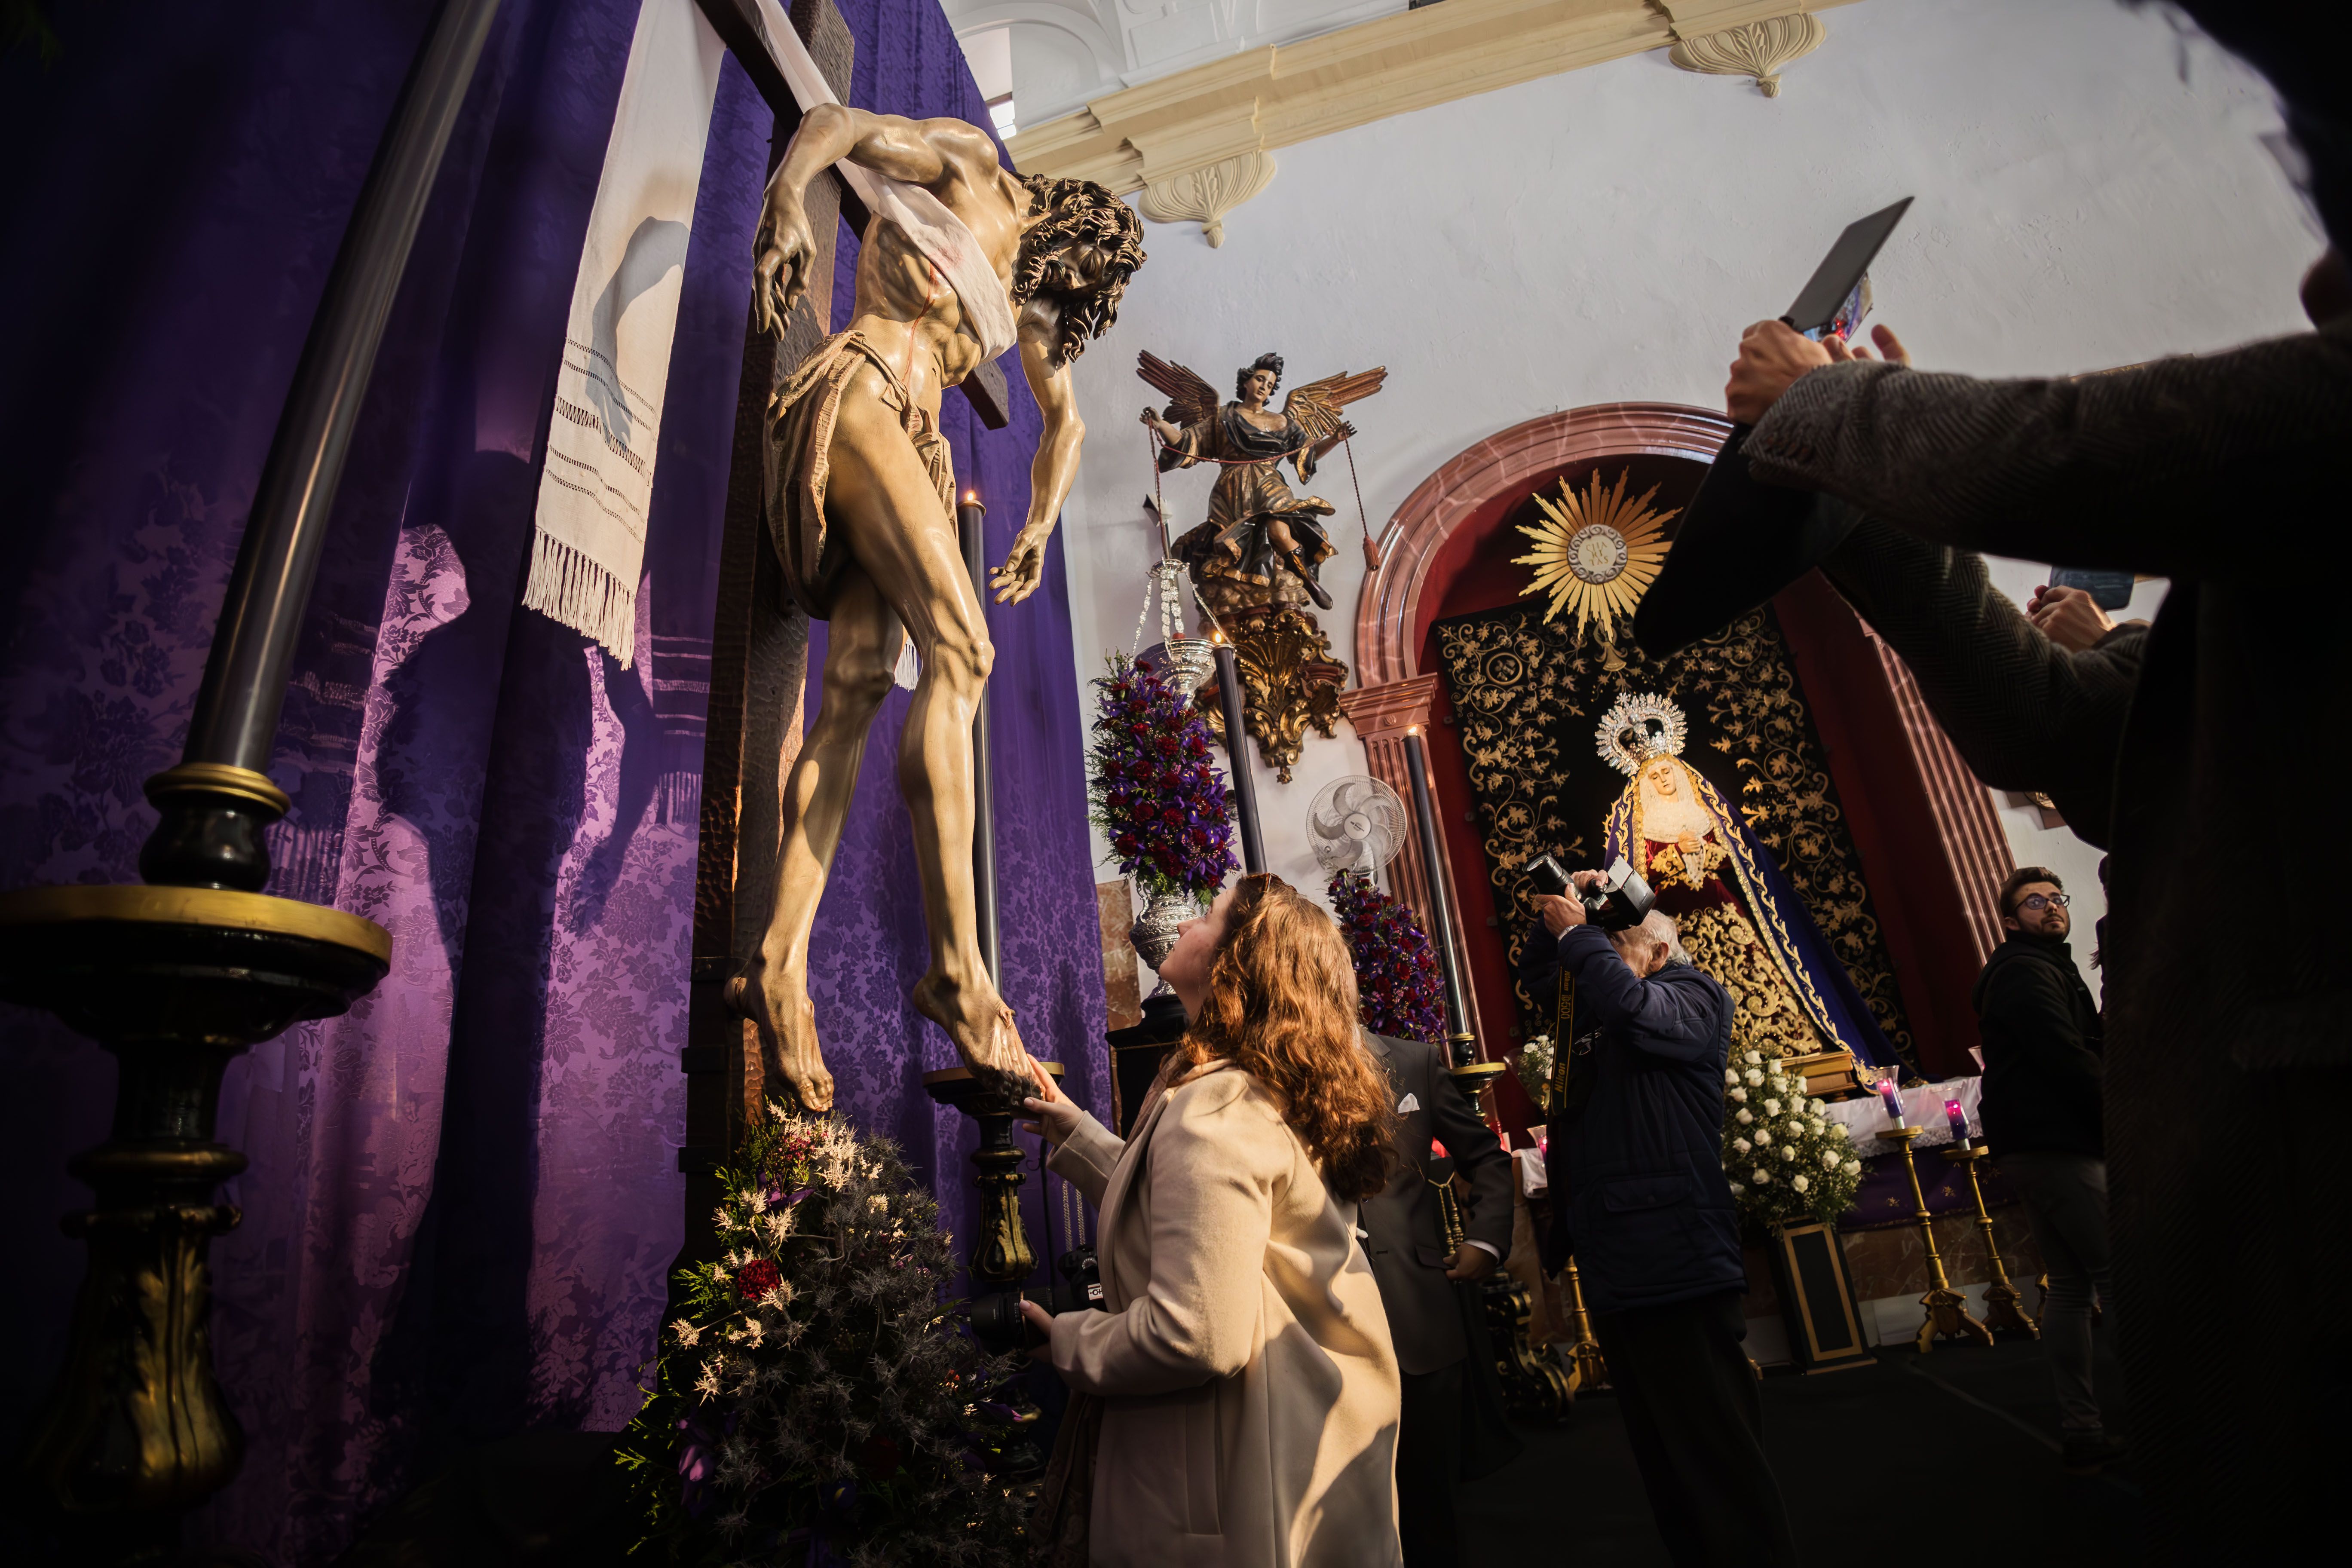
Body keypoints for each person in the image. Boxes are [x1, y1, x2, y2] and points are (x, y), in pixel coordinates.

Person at [732, 102, 1146, 1112]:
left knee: (860, 689)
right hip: (862, 389)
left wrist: (1043, 520)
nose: (1060, 307)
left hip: (911, 441)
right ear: (1074, 226)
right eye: (1081, 282)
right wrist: (788, 194)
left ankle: (777, 960)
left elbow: (1067, 421)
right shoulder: (967, 168)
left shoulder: (1024, 292)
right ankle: (957, 974)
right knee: (962, 651)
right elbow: (833, 121)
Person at [1016, 874, 1403, 1568]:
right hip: (1303, 1442)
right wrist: (1074, 1129)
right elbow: (1205, 1222)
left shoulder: (1215, 1107)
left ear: (1233, 963)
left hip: (1232, 1476)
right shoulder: (1254, 1088)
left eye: (1210, 914)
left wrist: (1068, 1342)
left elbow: (1193, 1334)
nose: (1185, 920)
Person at [1531, 891, 1797, 1568]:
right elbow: (1554, 987)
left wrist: (1581, 939)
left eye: (1611, 946)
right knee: (1665, 1457)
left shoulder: (1691, 995)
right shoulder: (1601, 994)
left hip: (1674, 1248)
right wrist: (1556, 927)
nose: (1595, 962)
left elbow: (1633, 1010)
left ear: (1657, 950)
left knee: (1716, 1452)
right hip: (1618, 1252)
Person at [1973, 867, 2119, 1473]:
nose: (2052, 908)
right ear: (2011, 921)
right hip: (2056, 1141)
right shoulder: (2024, 971)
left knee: (2069, 1286)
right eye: (2035, 903)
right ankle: (2179, 1416)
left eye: (2057, 898)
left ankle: (2082, 1425)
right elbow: (2063, 1053)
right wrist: (2120, 1107)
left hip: (2040, 1141)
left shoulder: (2044, 967)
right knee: (2120, 1277)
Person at [1357, 1027, 1514, 1568]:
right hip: (1320, 1322)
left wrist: (1486, 1240)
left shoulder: (1413, 1062)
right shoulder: (1271, 1063)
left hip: (1418, 1315)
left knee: (1432, 1512)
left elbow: (1486, 1159)